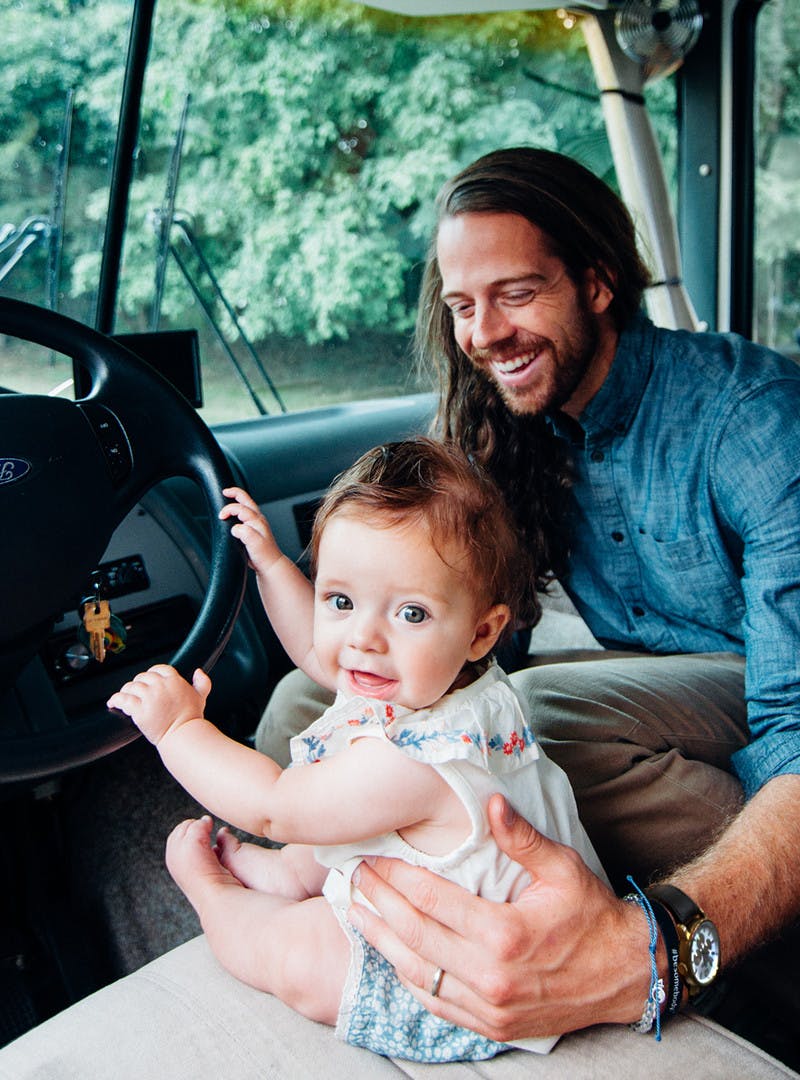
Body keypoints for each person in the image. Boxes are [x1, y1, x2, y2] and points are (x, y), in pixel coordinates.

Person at [254, 147, 800, 1052]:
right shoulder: (505, 420)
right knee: (306, 699)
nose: (484, 333)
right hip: (645, 681)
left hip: (759, 683)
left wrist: (668, 943)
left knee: (542, 711)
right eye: (463, 306)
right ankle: (341, 900)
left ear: (594, 282)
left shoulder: (752, 419)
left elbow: (792, 714)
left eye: (515, 293)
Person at [106, 436, 607, 1063]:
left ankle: (219, 899)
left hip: (463, 977)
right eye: (340, 600)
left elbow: (273, 807)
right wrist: (273, 567)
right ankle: (290, 873)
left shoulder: (418, 761)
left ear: (483, 631)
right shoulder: (455, 681)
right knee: (329, 818)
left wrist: (180, 729)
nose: (364, 638)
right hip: (458, 887)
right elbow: (323, 655)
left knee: (302, 953)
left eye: (411, 614)